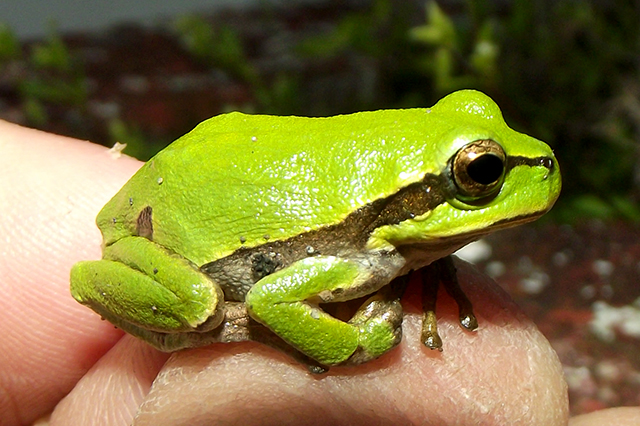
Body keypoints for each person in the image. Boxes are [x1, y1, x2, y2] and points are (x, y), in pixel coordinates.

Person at [1, 120, 638, 425]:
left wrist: (433, 259)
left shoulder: (394, 234)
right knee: (200, 302)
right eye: (480, 176)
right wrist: (358, 342)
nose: (544, 164)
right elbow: (275, 300)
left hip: (210, 168)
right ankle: (192, 325)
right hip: (174, 252)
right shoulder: (356, 256)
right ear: (413, 199)